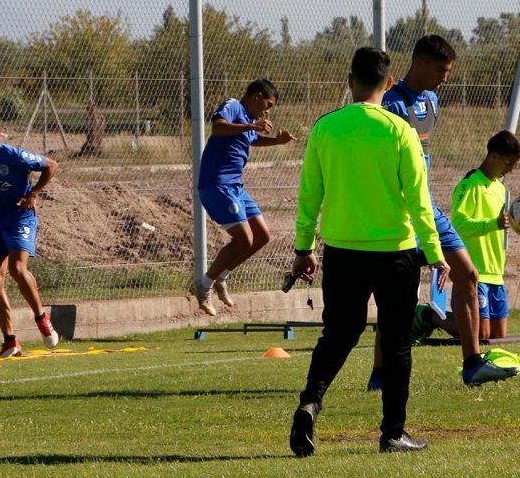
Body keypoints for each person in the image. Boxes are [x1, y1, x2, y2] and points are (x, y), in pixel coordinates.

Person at [289, 47, 450, 457]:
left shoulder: (325, 128)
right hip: (395, 252)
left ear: (349, 81)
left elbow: (310, 194)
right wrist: (434, 252)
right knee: (396, 343)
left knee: (339, 333)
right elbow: (419, 198)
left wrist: (304, 248)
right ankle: (393, 433)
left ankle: (311, 401)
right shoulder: (400, 131)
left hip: (342, 250)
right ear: (389, 83)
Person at [367, 35, 518, 390]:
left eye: (448, 71)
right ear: (418, 63)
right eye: (440, 70)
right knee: (396, 297)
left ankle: (472, 364)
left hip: (429, 207)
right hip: (401, 211)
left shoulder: (432, 101)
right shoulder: (389, 103)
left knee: (468, 274)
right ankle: (379, 374)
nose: (444, 78)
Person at [190, 79, 296, 316]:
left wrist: (277, 141)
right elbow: (218, 127)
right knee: (244, 239)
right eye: (267, 104)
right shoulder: (233, 106)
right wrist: (251, 126)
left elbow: (252, 140)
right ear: (257, 96)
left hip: (236, 187)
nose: (267, 111)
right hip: (217, 184)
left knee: (262, 237)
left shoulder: (249, 121)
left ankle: (221, 277)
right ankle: (203, 285)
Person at [0, 114, 59, 358]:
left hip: (18, 217)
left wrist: (34, 193)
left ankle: (41, 319)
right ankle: (10, 340)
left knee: (17, 268)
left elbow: (51, 165)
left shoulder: (14, 156)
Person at [450, 131, 520, 339]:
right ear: (493, 156)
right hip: (475, 270)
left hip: (495, 272)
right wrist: (494, 224)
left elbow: (498, 226)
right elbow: (458, 224)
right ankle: (429, 316)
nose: (511, 169)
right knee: (481, 334)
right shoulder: (470, 184)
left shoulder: (500, 189)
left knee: (498, 337)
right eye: (509, 163)